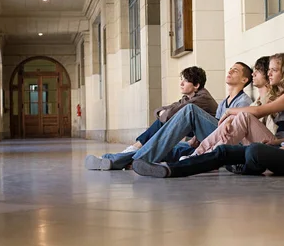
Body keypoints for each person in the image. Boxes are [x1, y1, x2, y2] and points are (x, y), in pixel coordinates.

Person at [132, 42, 284, 178]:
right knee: (225, 150)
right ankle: (171, 169)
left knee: (254, 151)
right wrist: (276, 143)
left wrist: (281, 148)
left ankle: (241, 162)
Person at [85, 62, 254, 170]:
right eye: (230, 68)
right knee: (165, 148)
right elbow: (216, 124)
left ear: (245, 79)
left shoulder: (244, 101)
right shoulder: (225, 102)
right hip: (206, 141)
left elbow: (235, 129)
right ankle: (111, 160)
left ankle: (138, 159)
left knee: (188, 111)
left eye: (236, 70)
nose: (230, 71)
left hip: (229, 143)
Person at [184, 53, 284, 160]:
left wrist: (229, 112)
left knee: (243, 116)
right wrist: (231, 119)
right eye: (269, 69)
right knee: (239, 118)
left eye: (274, 70)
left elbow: (258, 111)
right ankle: (198, 154)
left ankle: (207, 157)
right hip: (275, 143)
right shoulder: (278, 96)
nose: (269, 73)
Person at [119, 66, 218, 154]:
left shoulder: (202, 98)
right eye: (182, 80)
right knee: (165, 128)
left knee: (166, 121)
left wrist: (164, 114)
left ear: (196, 85)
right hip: (197, 136)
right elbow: (164, 109)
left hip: (209, 135)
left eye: (186, 81)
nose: (181, 83)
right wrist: (162, 113)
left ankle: (137, 147)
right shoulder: (187, 98)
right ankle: (138, 149)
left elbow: (170, 114)